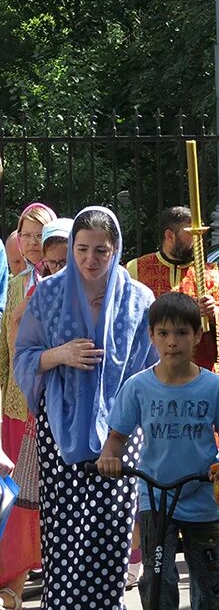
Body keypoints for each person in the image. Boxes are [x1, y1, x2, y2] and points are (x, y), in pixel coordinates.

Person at [13, 207, 158, 608]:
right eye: (81, 249)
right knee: (63, 540)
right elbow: (24, 356)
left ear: (116, 251)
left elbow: (151, 372)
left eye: (101, 251)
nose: (89, 260)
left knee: (110, 534)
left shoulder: (138, 299)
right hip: (59, 433)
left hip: (120, 436)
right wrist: (60, 353)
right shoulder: (49, 294)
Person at [97, 292, 219, 610]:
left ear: (197, 335)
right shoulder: (137, 387)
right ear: (152, 336)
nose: (172, 342)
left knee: (212, 585)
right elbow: (116, 437)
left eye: (181, 333)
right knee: (158, 583)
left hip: (203, 496)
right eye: (163, 333)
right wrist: (109, 457)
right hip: (155, 498)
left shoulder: (214, 387)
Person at [0, 217, 68, 609]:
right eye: (24, 235)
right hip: (25, 407)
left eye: (36, 235)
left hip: (66, 415)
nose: (31, 243)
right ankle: (16, 578)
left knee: (60, 502)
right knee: (25, 495)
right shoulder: (19, 289)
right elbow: (11, 347)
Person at [126, 206, 219, 379]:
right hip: (149, 371)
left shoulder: (209, 274)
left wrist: (215, 312)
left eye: (201, 234)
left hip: (196, 372)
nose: (199, 241)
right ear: (169, 236)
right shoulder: (136, 269)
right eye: (192, 234)